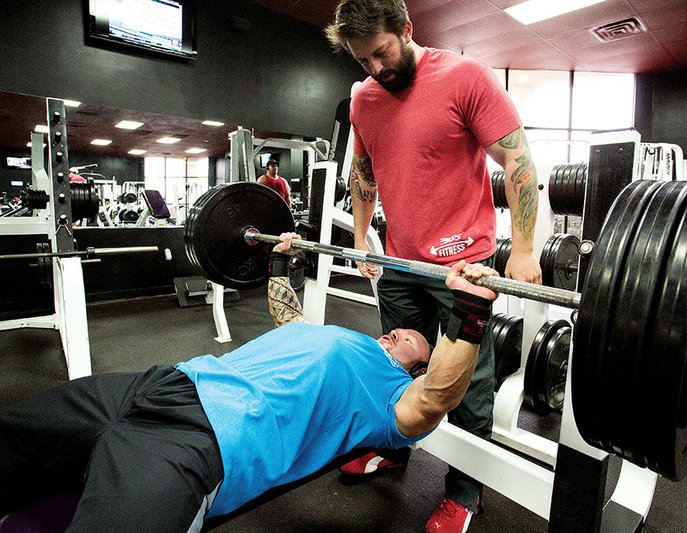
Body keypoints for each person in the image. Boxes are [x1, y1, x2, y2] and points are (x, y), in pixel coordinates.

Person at [0, 233, 498, 532]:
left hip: (204, 440)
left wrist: (470, 313)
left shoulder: (388, 400)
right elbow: (287, 311)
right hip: (160, 383)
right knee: (16, 433)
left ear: (414, 367)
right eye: (398, 329)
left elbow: (436, 397)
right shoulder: (334, 336)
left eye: (412, 339)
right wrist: (281, 258)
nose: (396, 332)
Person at [324, 1, 541, 530]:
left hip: (463, 267)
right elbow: (362, 170)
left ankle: (465, 495)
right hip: (399, 262)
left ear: (406, 29)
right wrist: (360, 237)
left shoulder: (466, 77)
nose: (374, 69)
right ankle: (395, 450)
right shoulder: (364, 100)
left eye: (380, 52)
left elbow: (517, 159)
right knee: (395, 368)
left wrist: (525, 247)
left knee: (466, 382)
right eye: (361, 61)